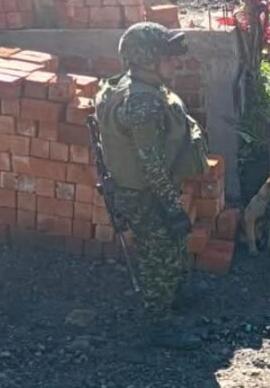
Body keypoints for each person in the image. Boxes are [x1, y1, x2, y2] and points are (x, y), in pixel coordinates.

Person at [94, 22, 210, 350]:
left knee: (173, 246)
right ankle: (159, 325)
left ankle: (177, 293)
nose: (176, 62)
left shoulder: (138, 87)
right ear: (146, 60)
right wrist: (171, 206)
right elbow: (151, 164)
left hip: (147, 188)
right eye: (168, 57)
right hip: (144, 193)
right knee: (159, 255)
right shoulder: (141, 102)